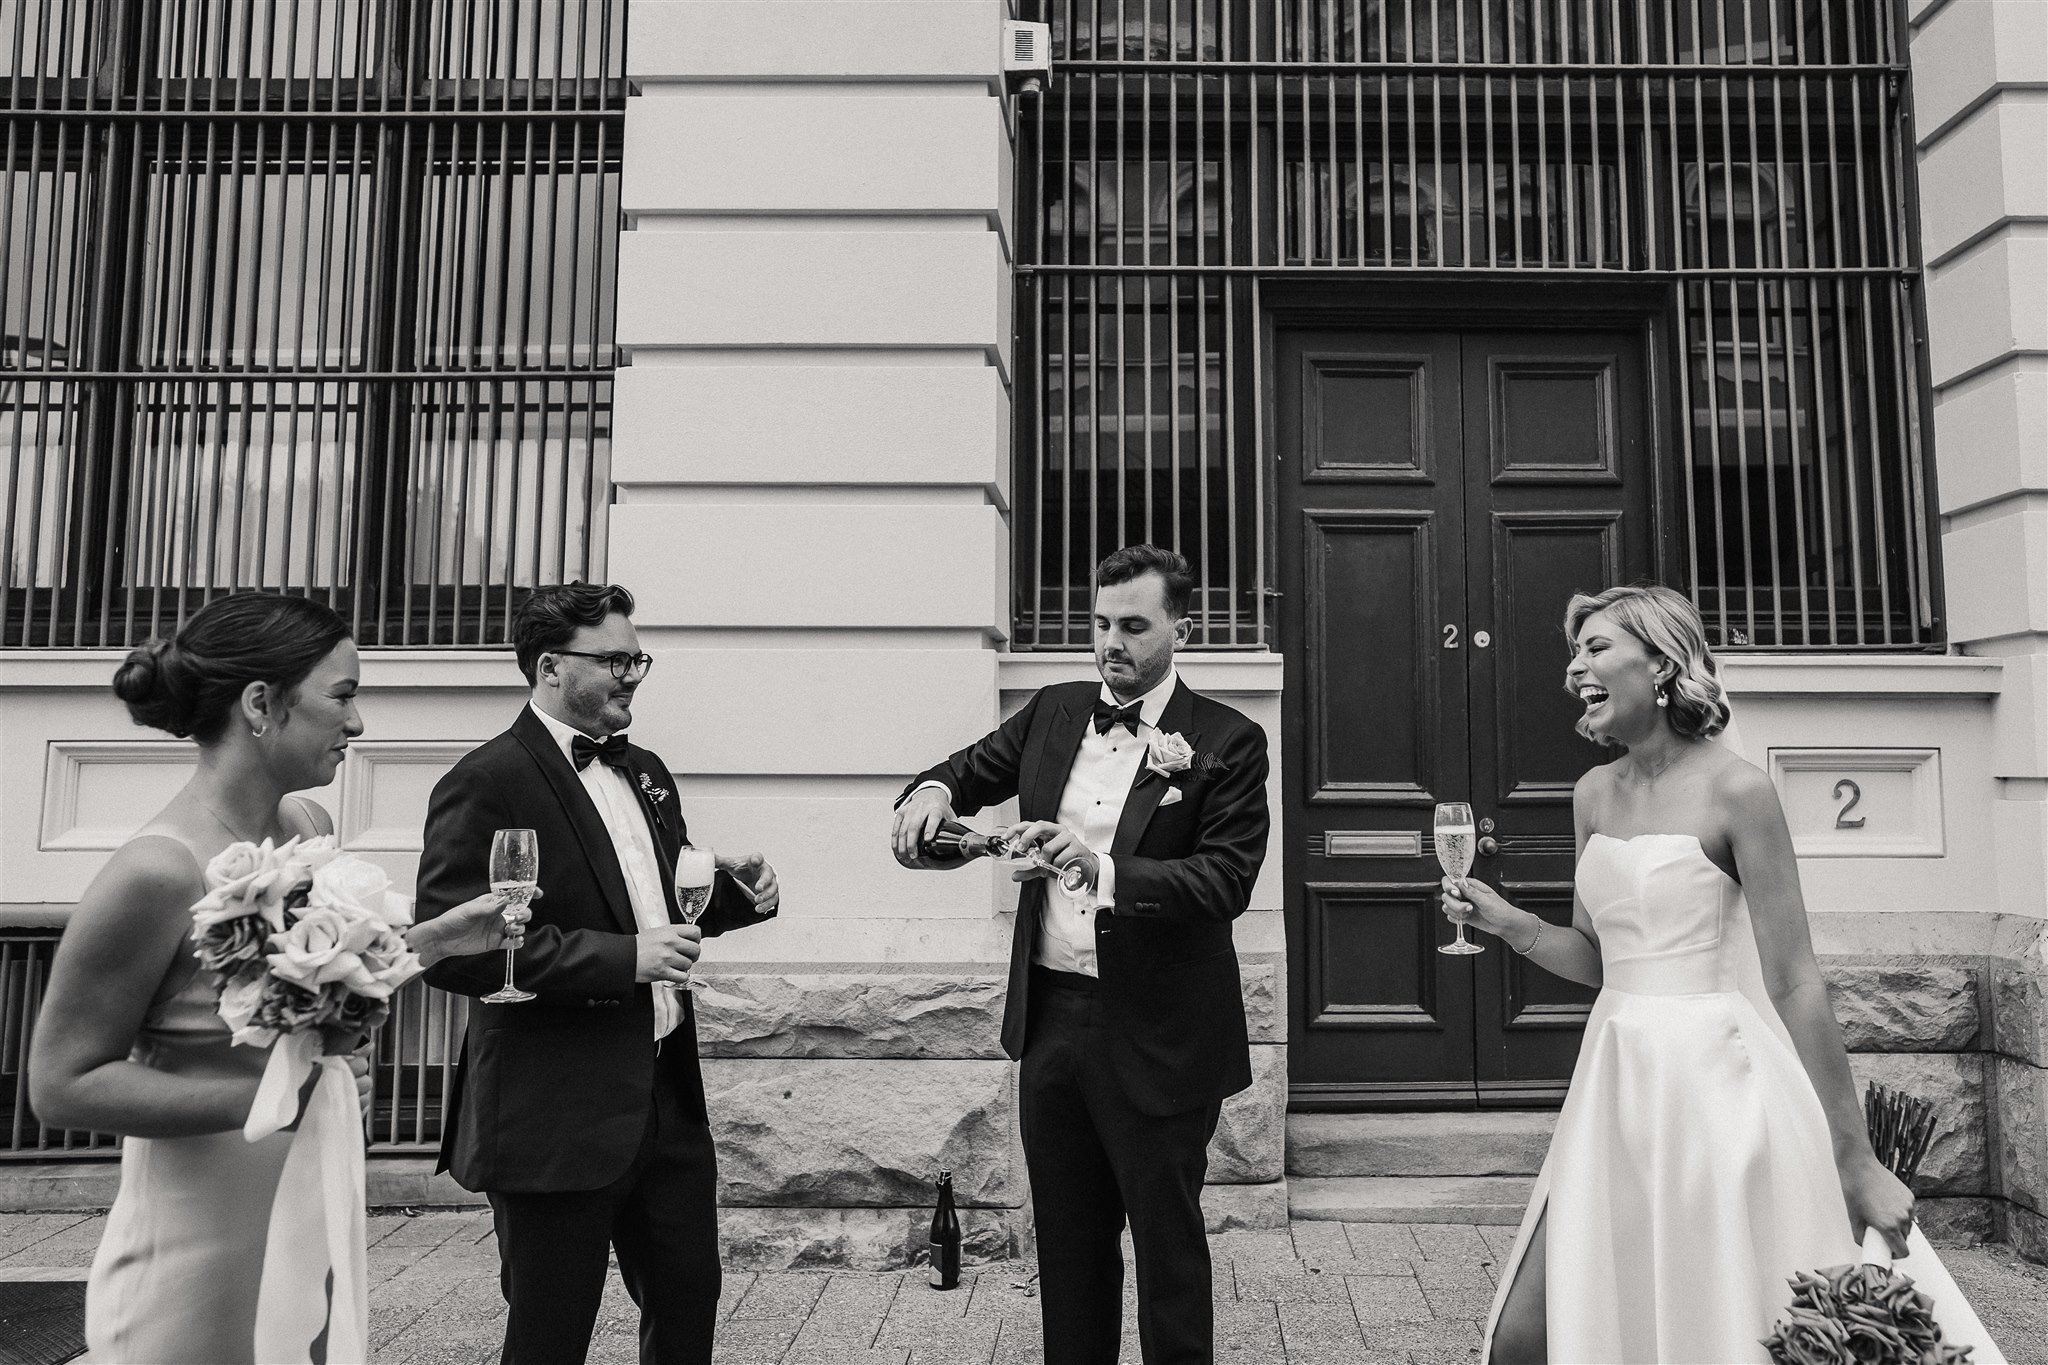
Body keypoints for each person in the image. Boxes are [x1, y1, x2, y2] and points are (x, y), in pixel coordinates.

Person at [1444, 583, 2001, 1364]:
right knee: (1526, 1336)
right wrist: (1509, 924)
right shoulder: (1593, 793)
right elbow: (1598, 954)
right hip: (1613, 1080)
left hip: (1716, 1086)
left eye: (1596, 647)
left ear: (1663, 663)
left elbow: (1796, 979)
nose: (1576, 668)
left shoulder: (1739, 790)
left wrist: (1856, 1156)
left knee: (1714, 1311)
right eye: (1575, 652)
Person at [29, 592, 522, 1365]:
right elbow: (60, 1084)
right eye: (344, 695)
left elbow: (310, 994)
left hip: (309, 1224)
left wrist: (428, 941)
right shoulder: (156, 870)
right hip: (192, 1265)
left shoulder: (308, 829)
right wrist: (273, 1099)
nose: (357, 725)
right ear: (262, 702)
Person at [891, 545, 1270, 1365]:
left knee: (1169, 1253)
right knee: (1066, 1248)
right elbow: (962, 772)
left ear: (1183, 628)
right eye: (1100, 623)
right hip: (1054, 1020)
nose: (1111, 642)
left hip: (1162, 1031)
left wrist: (1099, 868)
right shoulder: (1053, 710)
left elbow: (1225, 880)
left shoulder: (1228, 741)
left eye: (1133, 625)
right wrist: (929, 794)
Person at [413, 581, 780, 1365]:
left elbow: (650, 900)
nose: (632, 675)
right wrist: (624, 960)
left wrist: (737, 899)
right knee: (550, 1335)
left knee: (689, 1309)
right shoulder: (485, 780)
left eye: (637, 659)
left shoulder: (645, 770)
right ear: (550, 667)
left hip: (665, 1101)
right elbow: (452, 948)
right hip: (554, 1112)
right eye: (615, 659)